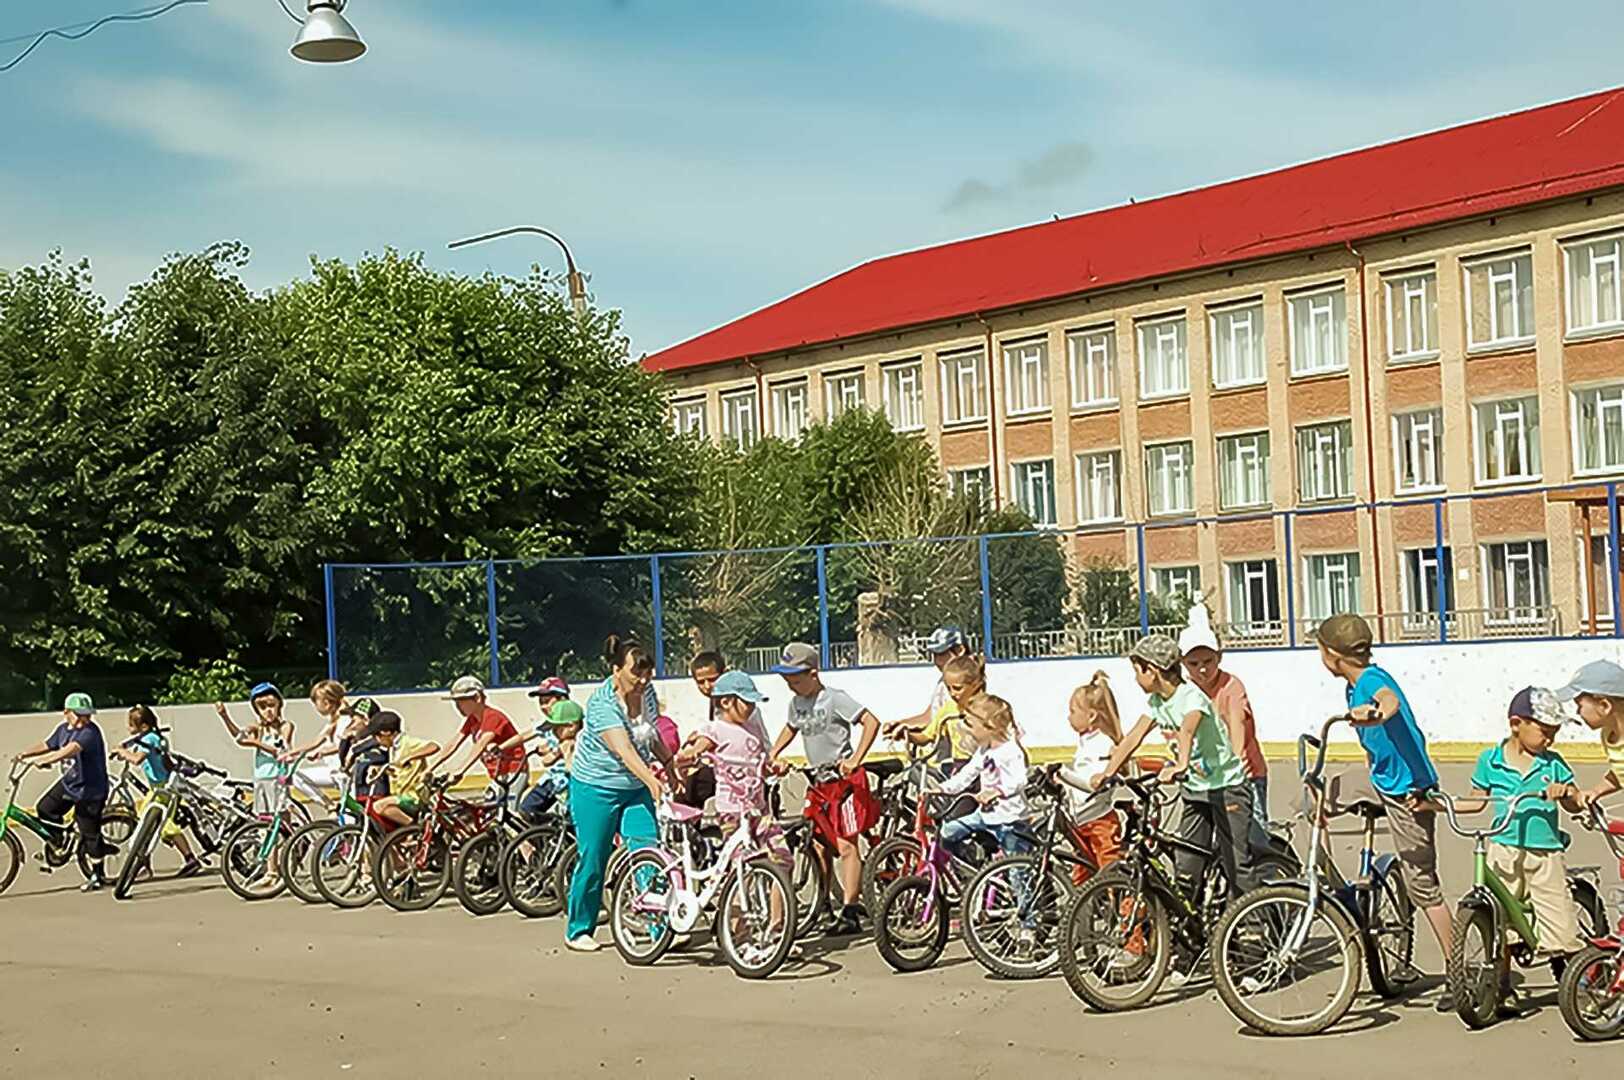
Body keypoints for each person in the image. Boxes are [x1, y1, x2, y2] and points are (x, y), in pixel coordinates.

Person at [1315, 613, 1451, 1009]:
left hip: (1410, 789)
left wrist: (1375, 712)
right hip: (1380, 779)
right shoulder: (1351, 686)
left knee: (1422, 884)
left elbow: (1388, 702)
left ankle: (1460, 968)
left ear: (1331, 655)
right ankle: (1336, 884)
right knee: (1312, 797)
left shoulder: (1372, 683)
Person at [1092, 634, 1254, 905]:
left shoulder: (1190, 696)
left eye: (1137, 671)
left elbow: (1188, 729)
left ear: (1153, 671)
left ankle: (1255, 930)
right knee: (1187, 865)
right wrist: (1107, 773)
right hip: (1195, 790)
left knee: (1236, 864)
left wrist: (1180, 764)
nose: (1135, 679)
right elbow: (1133, 737)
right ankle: (1192, 931)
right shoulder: (1157, 703)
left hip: (1227, 789)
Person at [1459, 687, 1585, 1015]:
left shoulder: (1553, 763)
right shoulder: (1491, 761)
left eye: (1554, 733)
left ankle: (1577, 981)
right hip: (1504, 847)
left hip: (1544, 851)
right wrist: (1438, 804)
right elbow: (1475, 800)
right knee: (1501, 918)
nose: (1550, 740)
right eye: (1545, 732)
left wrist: (1566, 792)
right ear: (1517, 724)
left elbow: (1574, 803)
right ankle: (1501, 986)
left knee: (1558, 919)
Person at [565, 634, 677, 952]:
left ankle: (659, 928)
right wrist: (653, 782)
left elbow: (649, 734)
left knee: (648, 849)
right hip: (595, 788)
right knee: (594, 855)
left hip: (633, 788)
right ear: (616, 669)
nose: (643, 680)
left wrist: (668, 763)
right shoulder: (601, 704)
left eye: (647, 672)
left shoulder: (649, 693)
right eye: (635, 673)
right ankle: (579, 929)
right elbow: (624, 750)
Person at [767, 641, 882, 935]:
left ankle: (851, 908)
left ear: (813, 673)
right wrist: (774, 752)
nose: (790, 685)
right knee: (817, 845)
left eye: (795, 678)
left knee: (846, 845)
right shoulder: (796, 704)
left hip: (842, 779)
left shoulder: (834, 699)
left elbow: (870, 722)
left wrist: (856, 759)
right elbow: (791, 727)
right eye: (786, 680)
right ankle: (823, 903)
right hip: (817, 781)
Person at [675, 670, 791, 873]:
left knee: (783, 860)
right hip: (731, 811)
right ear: (726, 702)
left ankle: (780, 904)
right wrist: (690, 754)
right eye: (747, 702)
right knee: (740, 866)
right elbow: (701, 746)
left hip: (758, 809)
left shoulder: (752, 730)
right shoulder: (715, 729)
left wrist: (773, 768)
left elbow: (760, 766)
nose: (751, 707)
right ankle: (735, 903)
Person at [1178, 604, 1270, 832]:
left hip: (1243, 776)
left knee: (1251, 840)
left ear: (1219, 657)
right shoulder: (1186, 692)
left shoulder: (1231, 687)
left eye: (1208, 661)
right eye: (1193, 663)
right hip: (1203, 781)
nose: (1201, 669)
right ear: (1182, 662)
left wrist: (1236, 761)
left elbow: (1235, 722)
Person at [11, 693, 113, 891]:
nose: (85, 719)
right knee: (45, 808)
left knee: (89, 832)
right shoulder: (62, 730)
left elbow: (70, 750)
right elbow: (48, 745)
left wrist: (46, 761)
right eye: (80, 715)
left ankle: (98, 875)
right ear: (66, 713)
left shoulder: (90, 732)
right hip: (70, 784)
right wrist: (25, 754)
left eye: (87, 715)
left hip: (90, 790)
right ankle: (59, 841)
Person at [111, 705, 203, 878]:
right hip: (157, 789)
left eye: (131, 725)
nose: (128, 728)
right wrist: (123, 747)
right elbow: (133, 745)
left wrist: (122, 752)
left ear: (144, 726)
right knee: (145, 824)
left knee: (165, 825)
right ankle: (143, 863)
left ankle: (190, 859)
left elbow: (137, 759)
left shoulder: (151, 739)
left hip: (165, 788)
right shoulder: (147, 737)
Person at [934, 693, 1030, 858]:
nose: (968, 731)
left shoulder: (1010, 751)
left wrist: (997, 792)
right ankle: (969, 866)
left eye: (970, 725)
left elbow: (1020, 780)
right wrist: (943, 788)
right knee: (948, 832)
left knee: (1017, 872)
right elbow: (967, 773)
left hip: (1009, 819)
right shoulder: (984, 750)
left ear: (989, 726)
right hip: (985, 816)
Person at [1052, 672, 1124, 886]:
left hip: (1099, 821)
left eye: (1073, 711)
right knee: (1081, 878)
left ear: (1092, 716)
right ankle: (1080, 915)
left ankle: (1129, 914)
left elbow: (1094, 781)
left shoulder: (1103, 743)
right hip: (1081, 818)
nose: (1069, 716)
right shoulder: (1085, 741)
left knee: (1110, 872)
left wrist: (1064, 774)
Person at [681, 652, 773, 810]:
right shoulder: (720, 706)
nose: (707, 686)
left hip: (750, 775)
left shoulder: (743, 710)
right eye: (700, 682)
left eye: (712, 679)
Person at [429, 676, 529, 812]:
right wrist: (430, 768)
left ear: (477, 698)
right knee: (489, 812)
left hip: (514, 771)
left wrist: (461, 770)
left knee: (509, 813)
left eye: (461, 701)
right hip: (497, 774)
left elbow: (481, 745)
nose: (457, 706)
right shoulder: (472, 720)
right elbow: (454, 743)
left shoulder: (493, 716)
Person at [500, 677, 584, 821]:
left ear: (562, 699)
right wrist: (501, 748)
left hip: (569, 781)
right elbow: (525, 736)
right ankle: (547, 834)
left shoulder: (576, 727)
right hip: (553, 778)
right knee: (526, 810)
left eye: (547, 702)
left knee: (570, 819)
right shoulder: (548, 724)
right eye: (541, 703)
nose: (544, 707)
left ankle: (553, 831)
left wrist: (556, 752)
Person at [887, 651, 982, 774]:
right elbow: (926, 736)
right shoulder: (948, 710)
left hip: (985, 765)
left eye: (957, 688)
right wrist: (907, 735)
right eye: (949, 688)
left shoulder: (988, 708)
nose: (952, 693)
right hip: (960, 766)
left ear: (975, 685)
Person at [282, 680, 379, 800]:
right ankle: (329, 805)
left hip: (346, 772)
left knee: (351, 814)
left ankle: (335, 809)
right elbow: (315, 742)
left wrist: (322, 752)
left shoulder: (346, 720)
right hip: (334, 771)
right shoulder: (333, 721)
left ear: (326, 703)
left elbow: (345, 744)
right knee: (297, 777)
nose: (315, 707)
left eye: (315, 702)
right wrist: (290, 754)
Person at [882, 626, 971, 756]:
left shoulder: (968, 684)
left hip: (960, 759)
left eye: (941, 654)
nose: (937, 661)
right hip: (939, 757)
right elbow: (931, 717)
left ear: (960, 650)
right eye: (934, 655)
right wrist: (901, 725)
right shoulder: (943, 683)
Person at [215, 683, 296, 817]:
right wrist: (225, 716)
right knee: (263, 816)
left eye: (271, 705)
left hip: (279, 776)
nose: (268, 711)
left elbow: (280, 749)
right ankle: (268, 838)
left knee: (281, 815)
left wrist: (256, 743)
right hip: (261, 777)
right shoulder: (258, 729)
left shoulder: (285, 726)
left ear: (279, 705)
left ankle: (291, 837)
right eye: (262, 707)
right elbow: (240, 738)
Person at [1556, 659, 1624, 808]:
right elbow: (1621, 773)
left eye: (1579, 705)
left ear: (1604, 706)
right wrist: (1596, 791)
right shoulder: (1607, 735)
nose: (1577, 712)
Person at [366, 711, 439, 826]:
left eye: (377, 736)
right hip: (400, 795)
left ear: (386, 733)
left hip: (414, 796)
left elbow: (434, 746)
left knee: (378, 806)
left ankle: (414, 827)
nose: (376, 740)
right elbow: (397, 770)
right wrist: (381, 769)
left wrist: (410, 756)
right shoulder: (393, 748)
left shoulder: (407, 742)